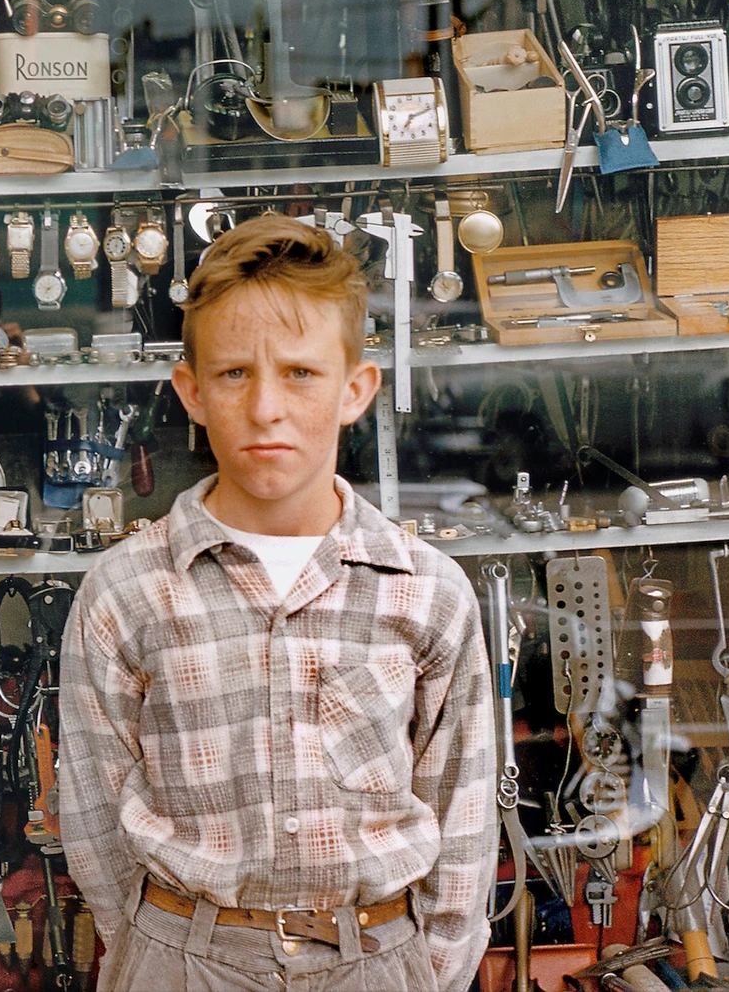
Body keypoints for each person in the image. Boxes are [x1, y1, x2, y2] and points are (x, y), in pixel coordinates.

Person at [59, 213, 498, 992]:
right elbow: (94, 819)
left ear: (355, 390)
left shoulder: (425, 591)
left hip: (376, 961)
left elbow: (462, 814)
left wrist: (425, 972)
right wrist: (155, 955)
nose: (266, 408)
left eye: (300, 373)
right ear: (191, 393)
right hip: (181, 958)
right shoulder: (128, 592)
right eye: (234, 374)